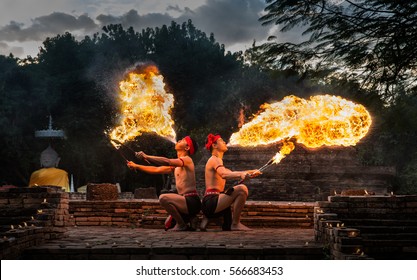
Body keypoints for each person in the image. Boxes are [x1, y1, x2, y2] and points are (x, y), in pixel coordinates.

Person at [127, 136, 200, 231]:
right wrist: (136, 166)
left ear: (187, 148)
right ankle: (190, 218)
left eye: (182, 140)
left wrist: (147, 156)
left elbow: (167, 161)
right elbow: (157, 169)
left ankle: (181, 224)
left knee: (163, 198)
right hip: (183, 201)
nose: (178, 140)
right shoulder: (177, 165)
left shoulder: (187, 159)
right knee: (167, 224)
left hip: (191, 201)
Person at [201, 133, 261, 231]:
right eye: (221, 140)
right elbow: (224, 174)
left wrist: (251, 171)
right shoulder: (214, 159)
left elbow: (231, 173)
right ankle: (235, 224)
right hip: (211, 201)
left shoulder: (218, 162)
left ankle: (209, 218)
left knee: (226, 225)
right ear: (214, 145)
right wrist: (241, 175)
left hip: (218, 203)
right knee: (242, 189)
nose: (224, 142)